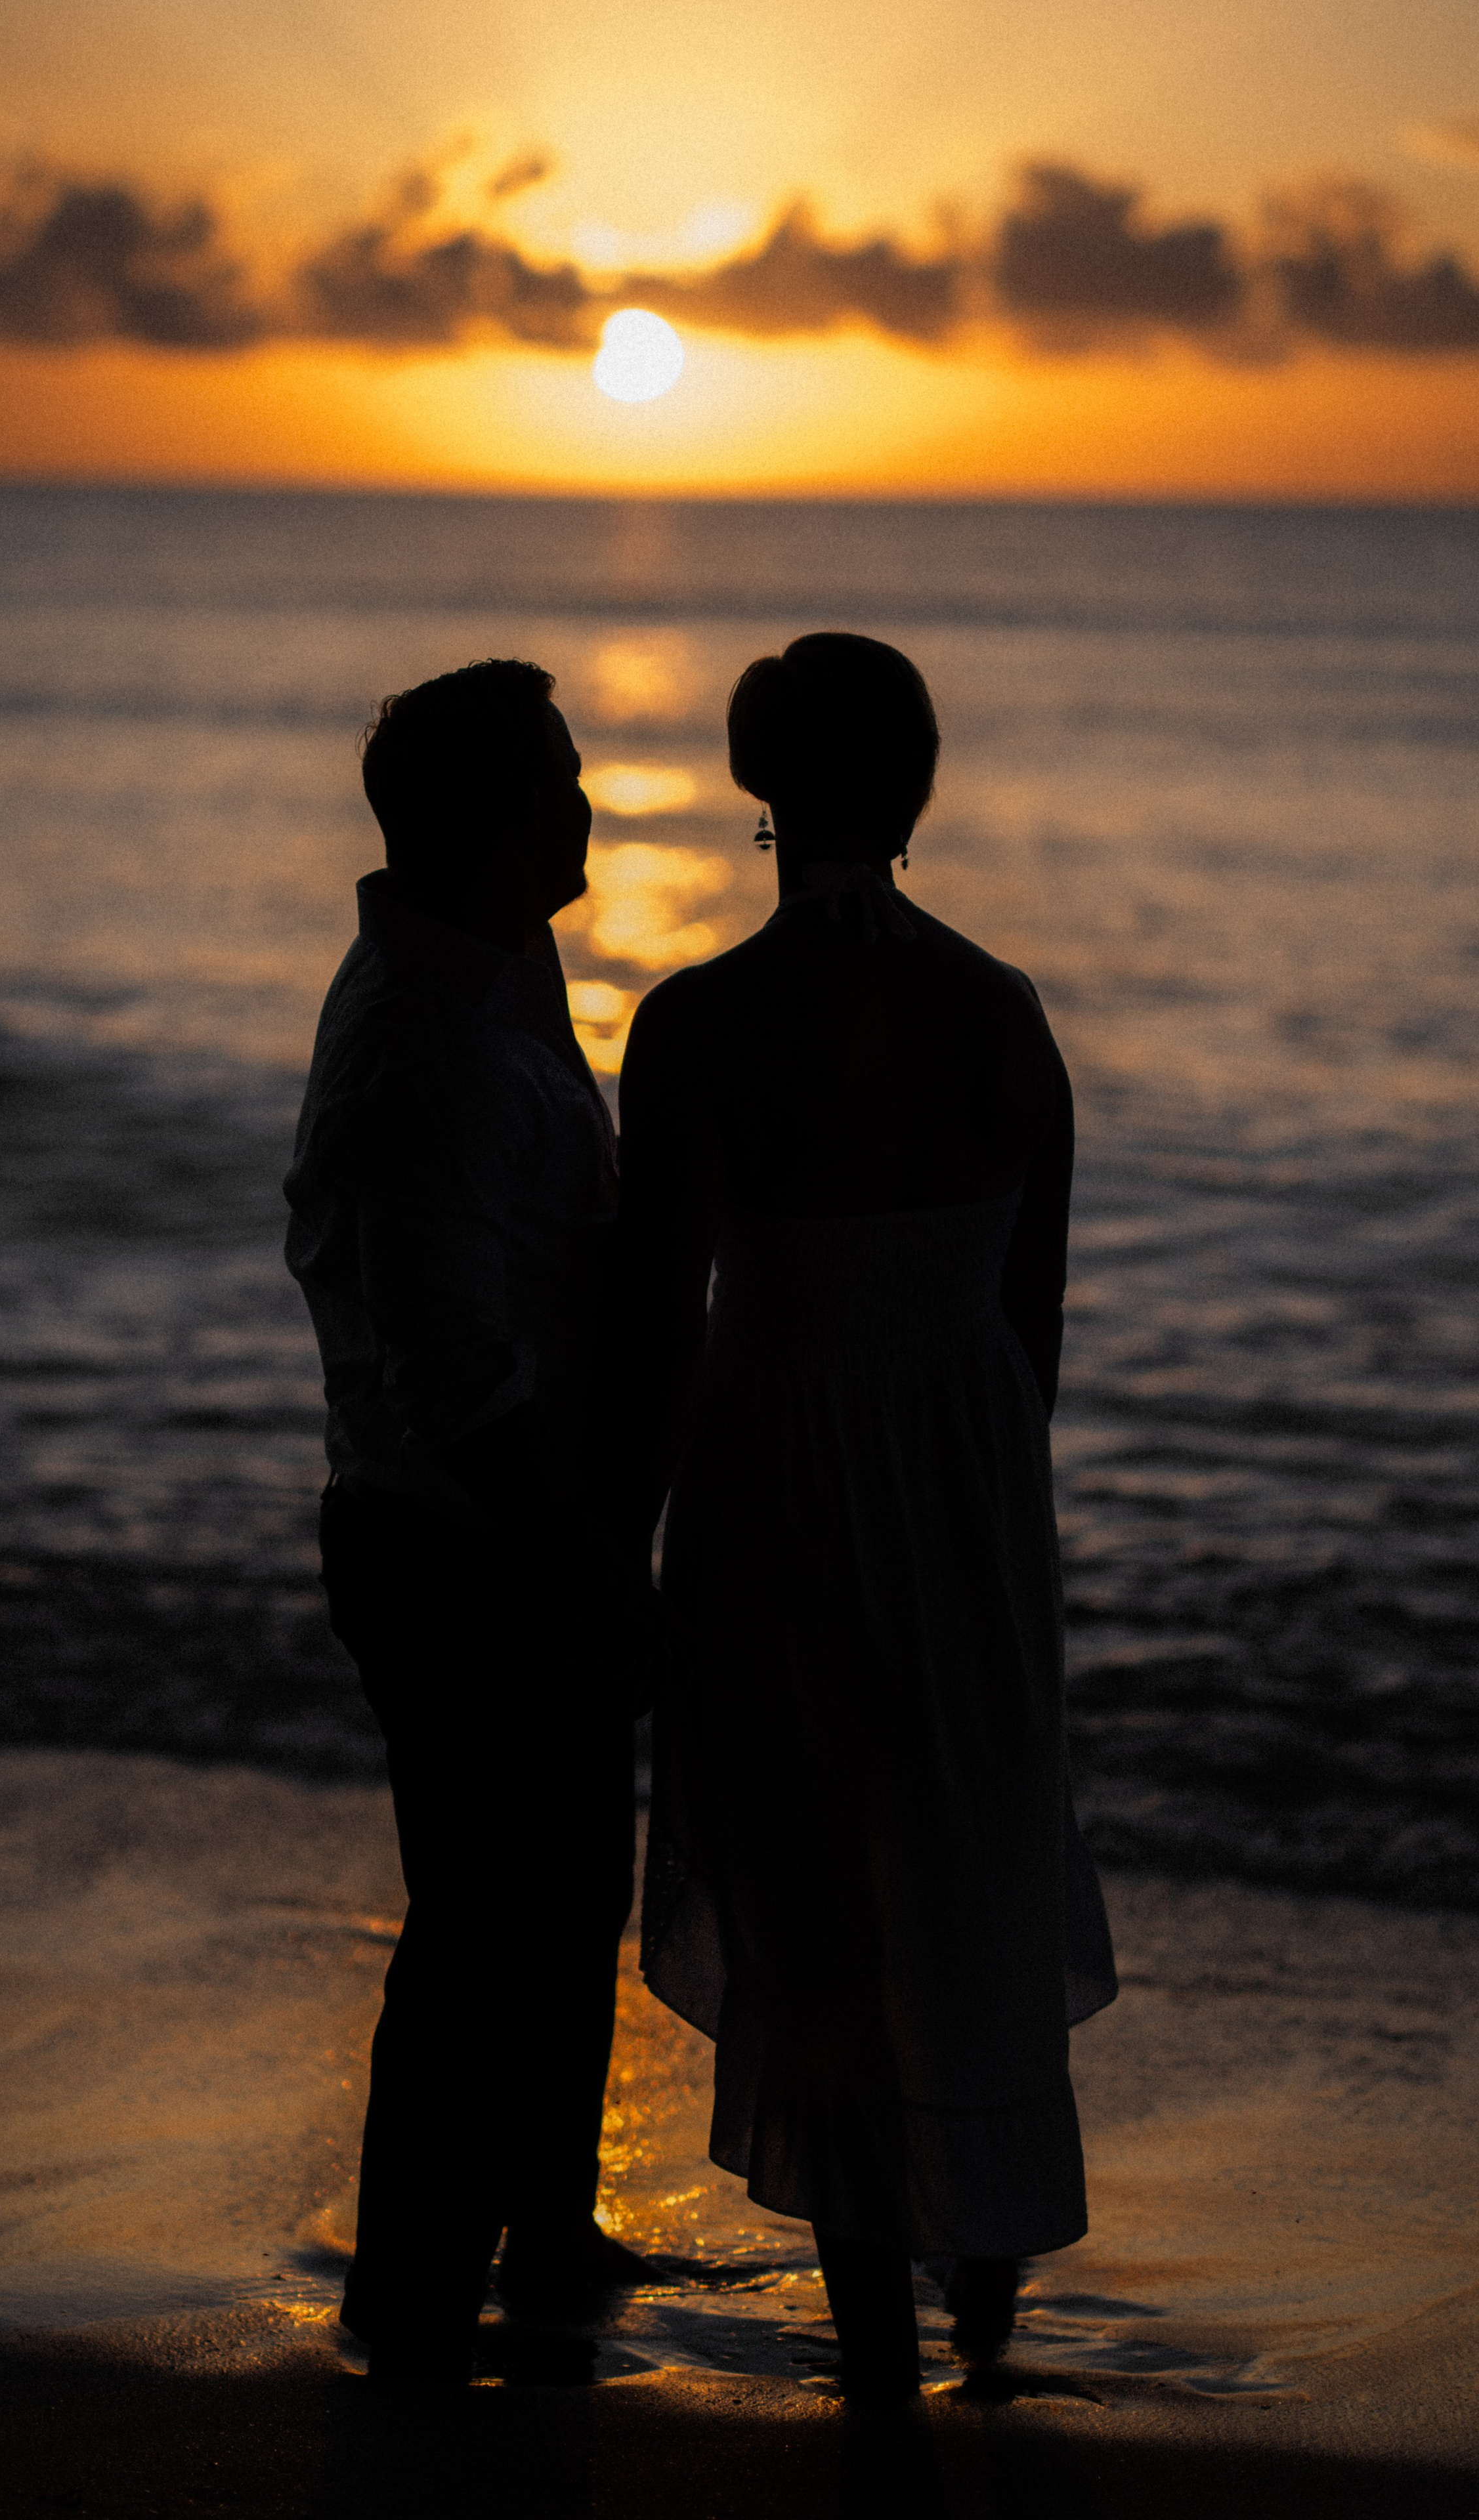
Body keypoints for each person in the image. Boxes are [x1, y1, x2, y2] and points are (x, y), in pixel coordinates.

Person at [618, 633, 1117, 2406]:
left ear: (760, 791)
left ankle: (876, 2342)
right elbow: (1031, 1327)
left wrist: (631, 1548)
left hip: (775, 1475)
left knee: (817, 1878)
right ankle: (983, 2261)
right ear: (918, 793)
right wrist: (977, 1495)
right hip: (972, 1477)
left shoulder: (694, 1027)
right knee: (967, 1859)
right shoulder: (1003, 1012)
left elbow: (657, 1316)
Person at [284, 658, 654, 2382]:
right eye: (563, 782)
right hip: (460, 1539)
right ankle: (415, 2285)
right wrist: (577, 1559)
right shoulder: (422, 1041)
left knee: (568, 1882)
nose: (588, 805)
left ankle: (547, 2223)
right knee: (486, 1911)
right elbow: (450, 1367)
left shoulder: (495, 959)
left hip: (508, 1521)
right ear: (501, 821)